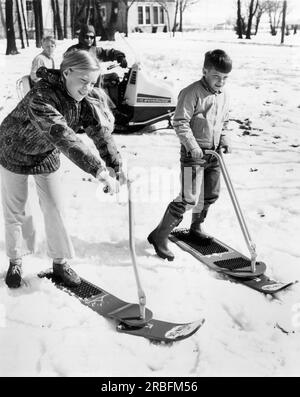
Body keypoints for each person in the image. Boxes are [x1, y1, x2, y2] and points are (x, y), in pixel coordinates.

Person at [0, 50, 123, 289]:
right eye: (83, 81)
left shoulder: (82, 99)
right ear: (67, 72)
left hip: (46, 153)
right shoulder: (41, 97)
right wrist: (97, 170)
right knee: (17, 209)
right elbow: (64, 136)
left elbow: (100, 132)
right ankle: (15, 260)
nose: (88, 88)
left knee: (55, 207)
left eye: (93, 83)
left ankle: (60, 262)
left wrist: (115, 166)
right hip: (13, 149)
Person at [148, 49, 233, 261]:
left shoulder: (224, 96)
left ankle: (196, 227)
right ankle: (160, 235)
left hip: (213, 155)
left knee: (210, 194)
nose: (220, 82)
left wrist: (224, 139)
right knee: (188, 197)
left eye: (224, 78)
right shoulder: (191, 92)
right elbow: (180, 122)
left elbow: (224, 122)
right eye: (216, 76)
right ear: (205, 71)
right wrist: (192, 145)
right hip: (192, 154)